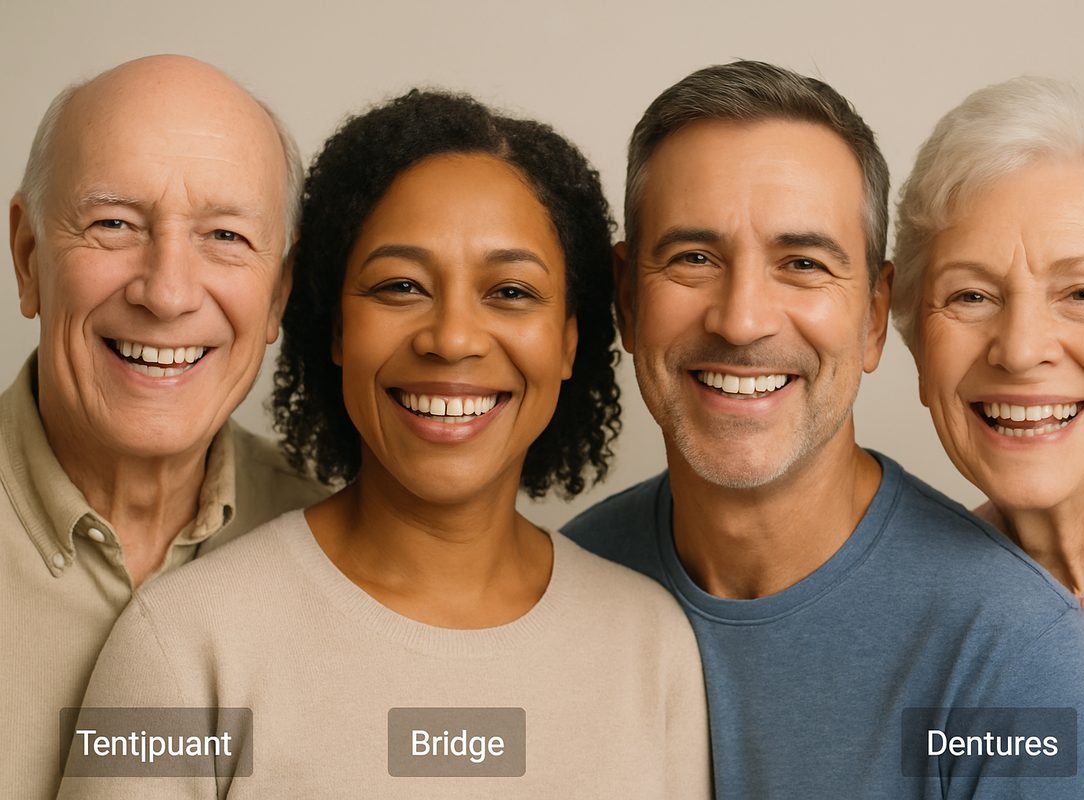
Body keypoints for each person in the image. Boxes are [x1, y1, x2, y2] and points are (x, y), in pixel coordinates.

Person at [58, 90, 711, 799]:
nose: (453, 338)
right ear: (336, 329)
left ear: (568, 342)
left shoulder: (651, 643)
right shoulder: (185, 642)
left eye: (512, 292)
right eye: (400, 286)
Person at [563, 60, 1084, 797]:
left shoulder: (1007, 648)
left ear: (872, 315)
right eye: (694, 258)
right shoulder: (563, 591)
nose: (743, 319)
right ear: (628, 299)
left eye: (802, 262)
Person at [1, 55, 325, 799]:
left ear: (279, 292)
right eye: (113, 224)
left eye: (225, 237)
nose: (168, 292)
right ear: (28, 260)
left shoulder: (341, 551)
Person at [891, 75, 1084, 799]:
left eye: (1082, 293)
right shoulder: (902, 622)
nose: (1021, 348)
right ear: (915, 348)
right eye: (971, 295)